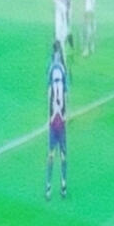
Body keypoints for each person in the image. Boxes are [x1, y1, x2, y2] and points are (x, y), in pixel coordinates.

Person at [44, 37, 68, 202]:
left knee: (55, 154)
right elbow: (64, 93)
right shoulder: (60, 68)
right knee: (59, 154)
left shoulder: (52, 68)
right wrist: (64, 113)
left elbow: (51, 93)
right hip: (59, 119)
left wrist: (51, 115)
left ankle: (52, 186)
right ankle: (58, 185)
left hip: (55, 119)